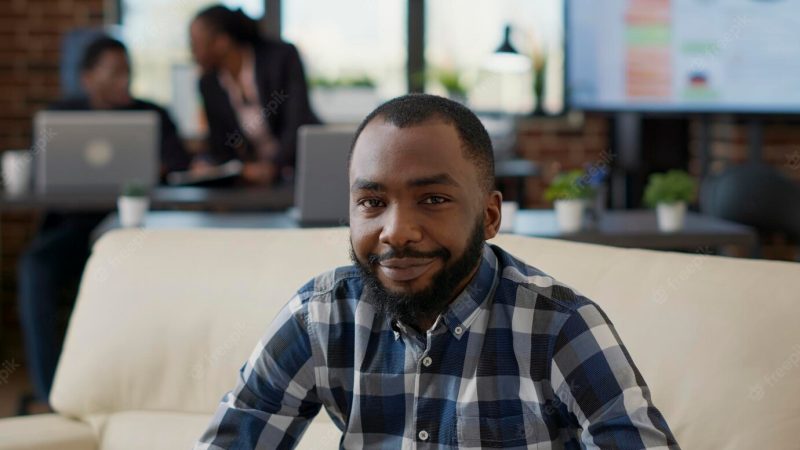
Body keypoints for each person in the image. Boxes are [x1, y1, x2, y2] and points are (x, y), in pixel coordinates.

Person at [195, 94, 680, 449]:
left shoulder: (560, 328)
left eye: (433, 200)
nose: (397, 231)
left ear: (489, 216)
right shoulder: (320, 317)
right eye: (372, 202)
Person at [17, 36, 191, 410]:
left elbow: (181, 169)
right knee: (35, 267)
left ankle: (140, 391)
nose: (124, 81)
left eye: (128, 72)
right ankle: (51, 394)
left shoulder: (153, 115)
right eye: (114, 73)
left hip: (137, 229)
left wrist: (155, 166)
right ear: (87, 79)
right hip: (73, 229)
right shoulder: (60, 117)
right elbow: (38, 177)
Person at [189, 5, 319, 185]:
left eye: (195, 43)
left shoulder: (281, 59)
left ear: (222, 42)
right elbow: (221, 144)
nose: (192, 53)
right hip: (252, 182)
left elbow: (297, 121)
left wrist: (272, 167)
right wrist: (209, 163)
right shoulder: (209, 84)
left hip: (302, 170)